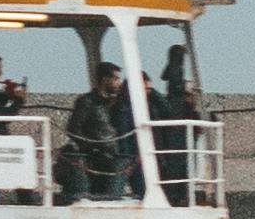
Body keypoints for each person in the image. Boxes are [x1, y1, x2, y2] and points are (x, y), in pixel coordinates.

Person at [64, 60, 140, 204]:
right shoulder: (87, 102)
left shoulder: (113, 103)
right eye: (116, 79)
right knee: (108, 195)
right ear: (105, 79)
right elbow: (74, 128)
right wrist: (92, 148)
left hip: (112, 155)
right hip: (97, 157)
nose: (119, 83)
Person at [150, 48, 206, 203]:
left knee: (177, 176)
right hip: (178, 144)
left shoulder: (174, 81)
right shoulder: (177, 82)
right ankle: (179, 198)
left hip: (177, 143)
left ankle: (178, 197)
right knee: (179, 176)